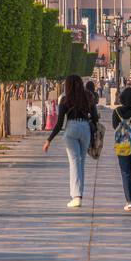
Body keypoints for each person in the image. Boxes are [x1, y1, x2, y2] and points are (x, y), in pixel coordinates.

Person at [43, 74, 96, 208]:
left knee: (74, 162)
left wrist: (49, 139)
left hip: (71, 128)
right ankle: (79, 195)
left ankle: (76, 197)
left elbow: (60, 123)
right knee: (81, 163)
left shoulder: (65, 99)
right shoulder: (89, 96)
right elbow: (95, 117)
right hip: (85, 128)